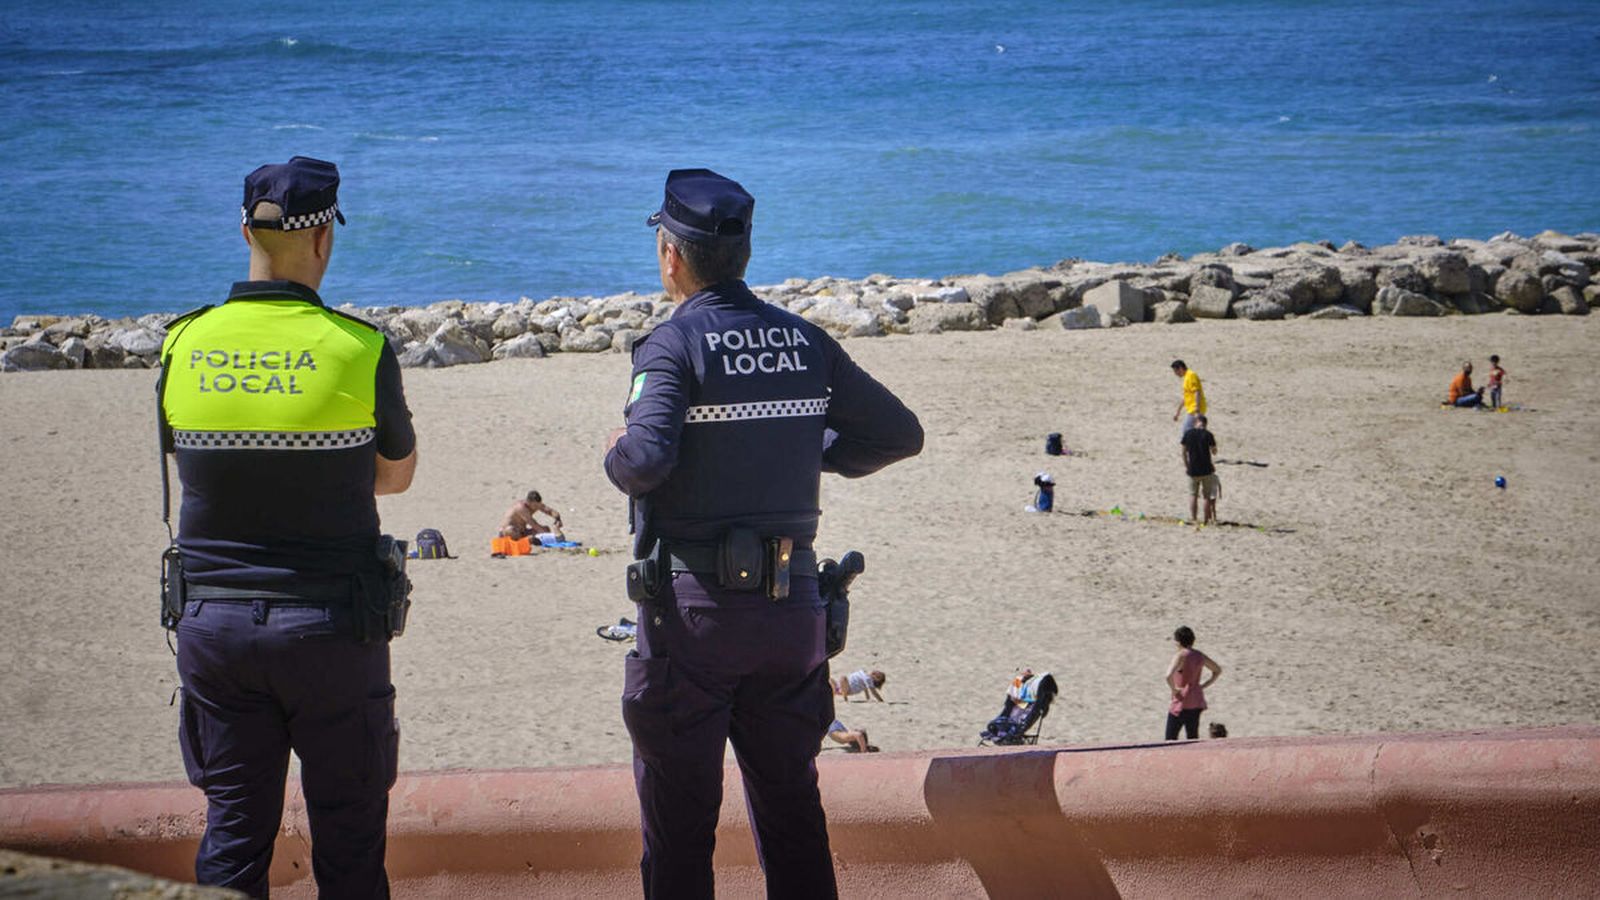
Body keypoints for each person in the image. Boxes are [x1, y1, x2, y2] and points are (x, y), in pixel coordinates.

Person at [603, 168, 924, 899]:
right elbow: (900, 435)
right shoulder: (804, 342)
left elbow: (644, 459)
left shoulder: (672, 346)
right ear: (743, 254)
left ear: (670, 254)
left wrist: (613, 453)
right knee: (791, 817)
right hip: (791, 616)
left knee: (680, 831)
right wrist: (816, 452)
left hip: (693, 620)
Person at [158, 156, 417, 897]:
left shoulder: (183, 344)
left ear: (244, 229)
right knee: (350, 837)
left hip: (214, 624)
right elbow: (396, 475)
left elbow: (195, 464)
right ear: (326, 238)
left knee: (233, 833)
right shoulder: (358, 348)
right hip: (331, 627)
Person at [1164, 626, 1222, 740]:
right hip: (1196, 698)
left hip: (1181, 700)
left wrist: (1174, 689)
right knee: (1192, 737)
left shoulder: (1180, 655)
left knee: (1170, 737)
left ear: (1179, 641)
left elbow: (1168, 675)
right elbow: (1217, 670)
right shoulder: (1199, 655)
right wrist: (1203, 685)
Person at [1181, 414, 1220, 525]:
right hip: (1207, 469)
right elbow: (1214, 451)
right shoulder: (1208, 434)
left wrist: (1187, 465)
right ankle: (1206, 520)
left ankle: (1194, 518)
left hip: (1193, 469)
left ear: (1196, 422)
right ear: (1205, 424)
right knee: (1207, 496)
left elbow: (1183, 452)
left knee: (1193, 495)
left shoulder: (1188, 434)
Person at [1171, 359, 1206, 432]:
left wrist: (1196, 407)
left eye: (1175, 371)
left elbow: (1197, 391)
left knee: (1186, 432)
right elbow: (1186, 397)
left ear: (1180, 368)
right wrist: (1178, 412)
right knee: (1195, 433)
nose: (1175, 374)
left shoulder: (1191, 375)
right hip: (1192, 409)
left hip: (1195, 409)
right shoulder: (1187, 377)